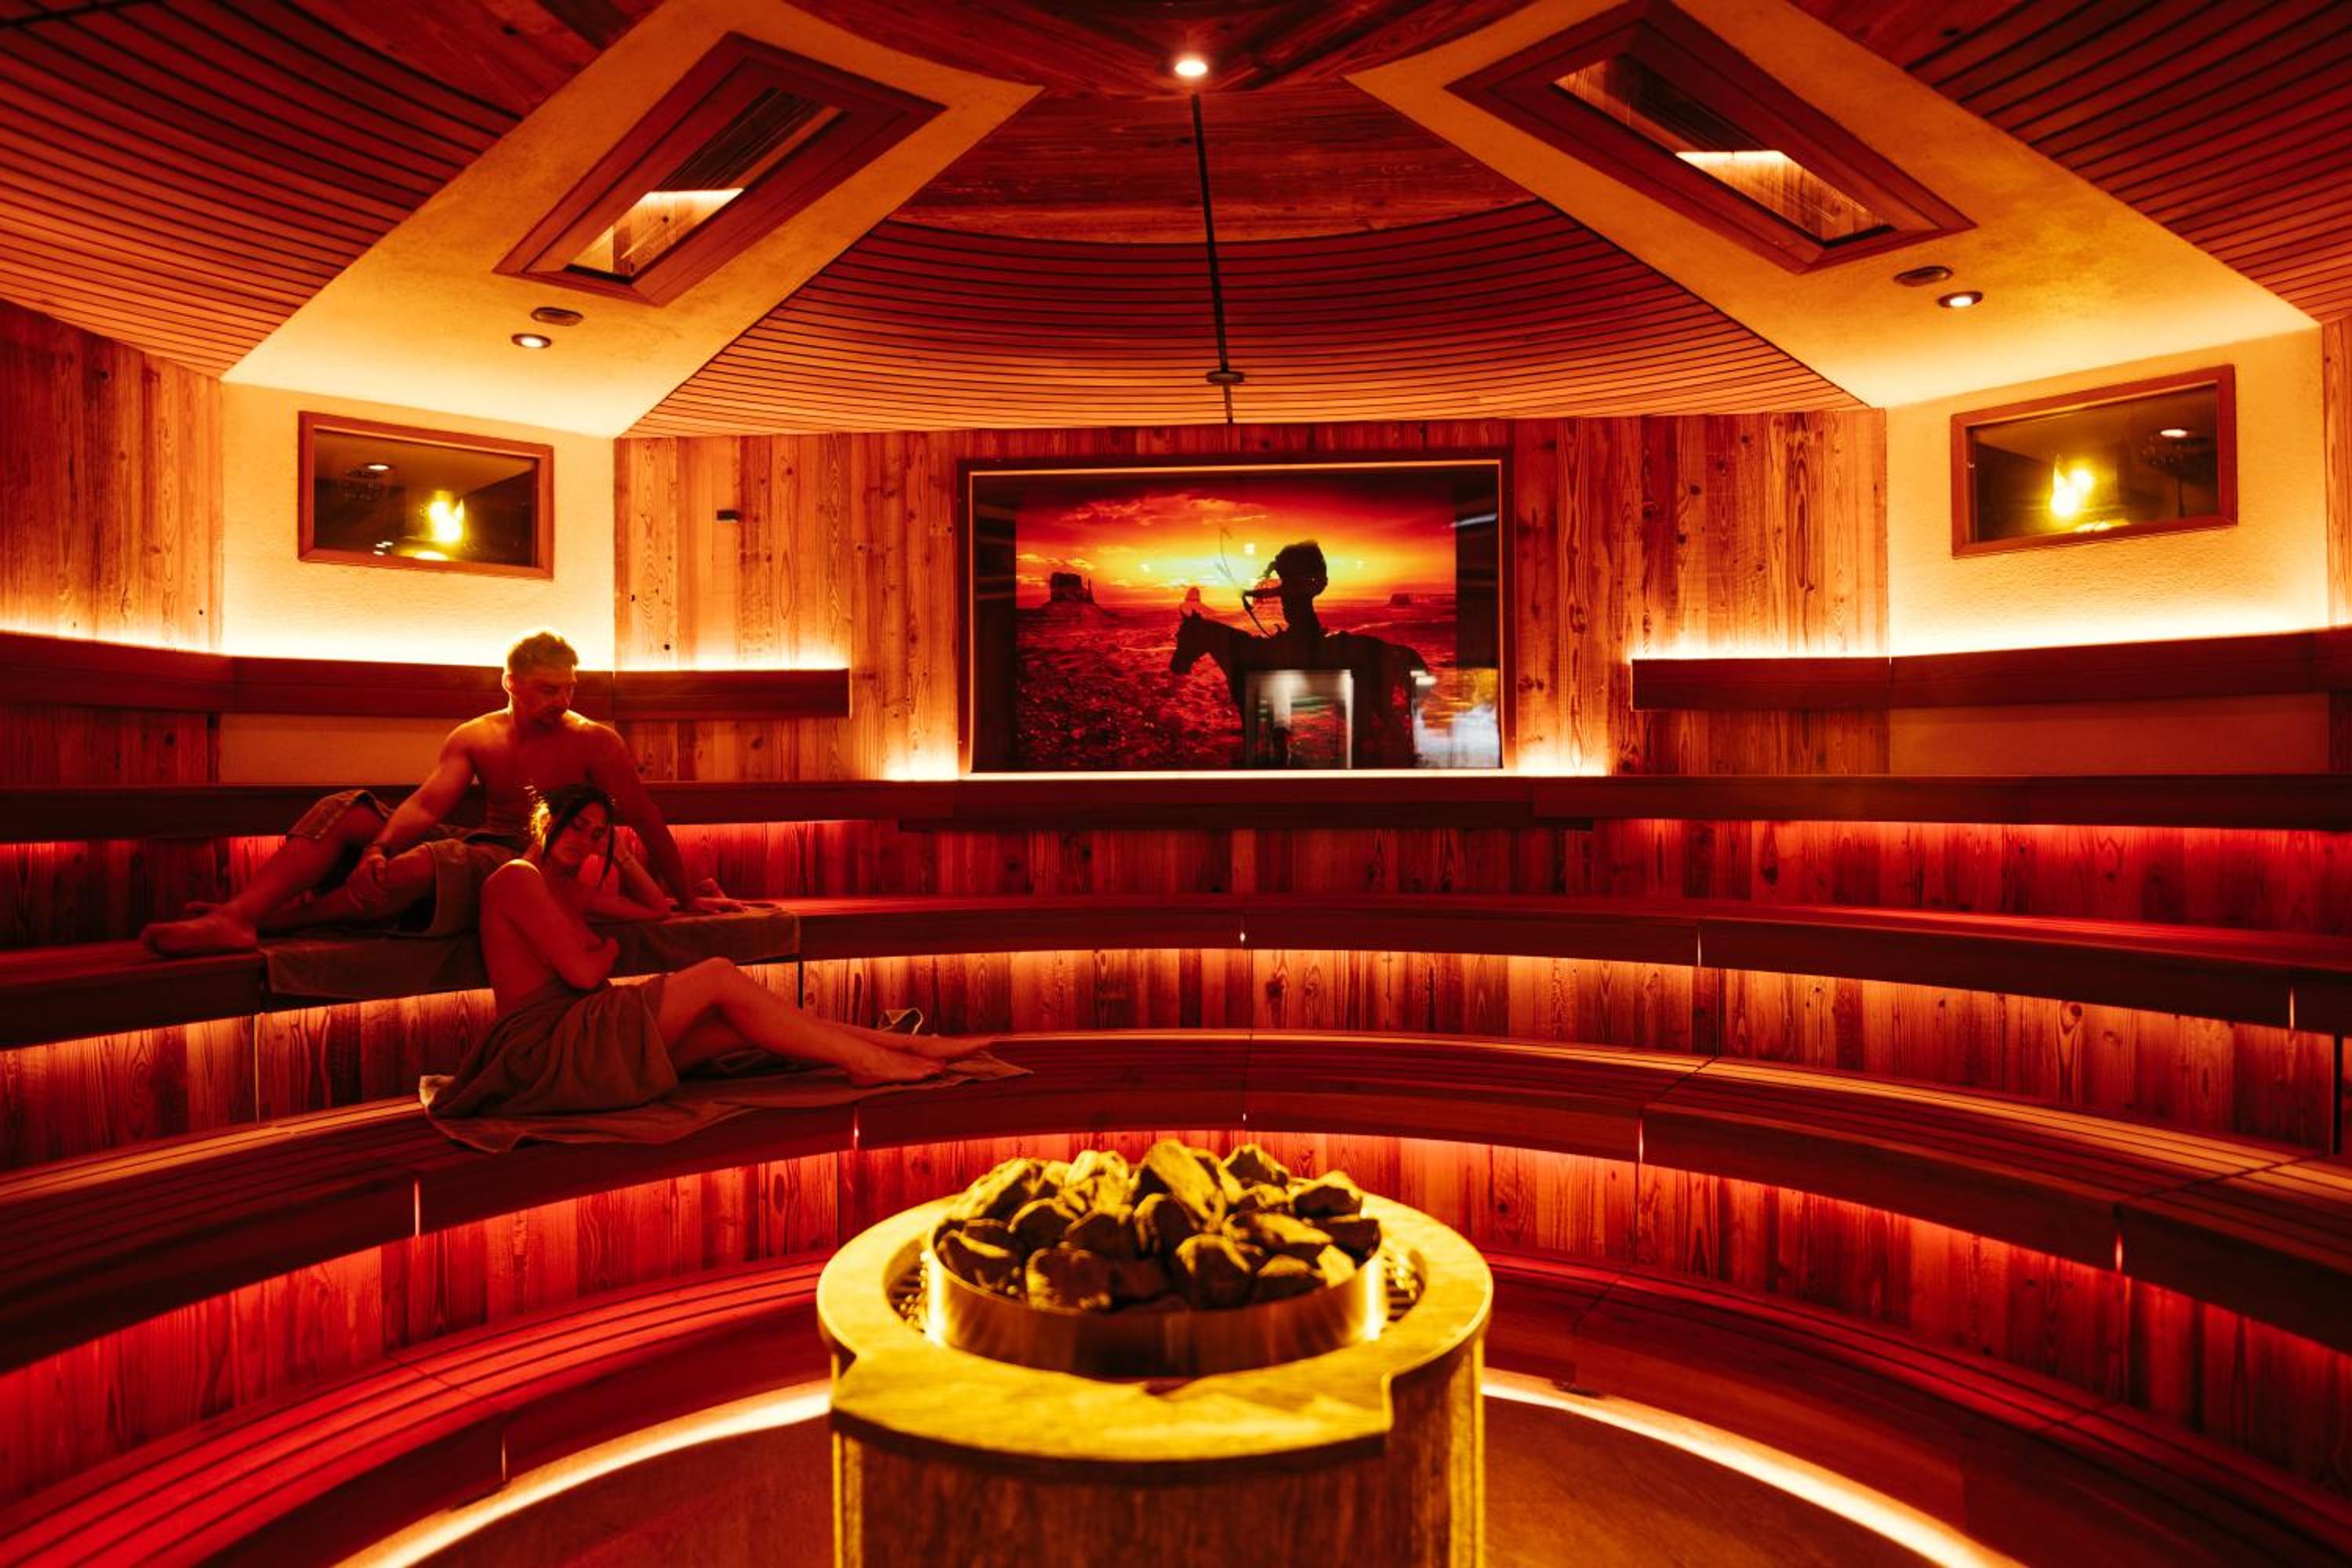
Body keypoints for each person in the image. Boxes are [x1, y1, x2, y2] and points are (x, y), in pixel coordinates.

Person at [429, 784, 981, 1119]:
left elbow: (654, 910)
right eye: (579, 828)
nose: (587, 841)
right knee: (717, 974)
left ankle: (897, 1046)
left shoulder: (569, 889)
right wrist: (607, 949)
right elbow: (583, 973)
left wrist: (621, 855)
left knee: (741, 1027)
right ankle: (873, 1058)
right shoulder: (517, 878)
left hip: (585, 1035)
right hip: (545, 1049)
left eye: (598, 834)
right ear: (547, 823)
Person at [140, 630, 703, 956]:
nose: (562, 701)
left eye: (569, 689)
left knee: (427, 861)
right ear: (510, 683)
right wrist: (377, 847)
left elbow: (644, 817)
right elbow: (429, 804)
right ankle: (238, 914)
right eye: (547, 690)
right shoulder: (476, 736)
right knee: (346, 809)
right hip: (485, 841)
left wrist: (687, 896)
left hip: (532, 861)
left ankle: (264, 923)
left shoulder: (595, 741)